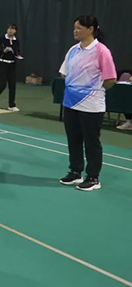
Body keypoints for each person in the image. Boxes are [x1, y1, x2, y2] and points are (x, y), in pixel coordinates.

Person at [58, 16, 117, 191]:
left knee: (91, 142)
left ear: (90, 29)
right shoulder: (73, 50)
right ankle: (76, 172)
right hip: (70, 103)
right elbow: (63, 73)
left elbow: (110, 79)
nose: (75, 31)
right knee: (73, 139)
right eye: (74, 27)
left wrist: (93, 90)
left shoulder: (101, 51)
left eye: (79, 28)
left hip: (91, 105)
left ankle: (93, 177)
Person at [0, 24, 22, 112]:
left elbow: (17, 51)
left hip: (12, 64)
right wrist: (3, 51)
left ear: (15, 31)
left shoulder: (16, 41)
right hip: (2, 63)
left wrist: (17, 55)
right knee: (2, 84)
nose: (10, 30)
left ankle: (11, 105)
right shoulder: (1, 39)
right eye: (9, 28)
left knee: (12, 85)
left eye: (13, 29)